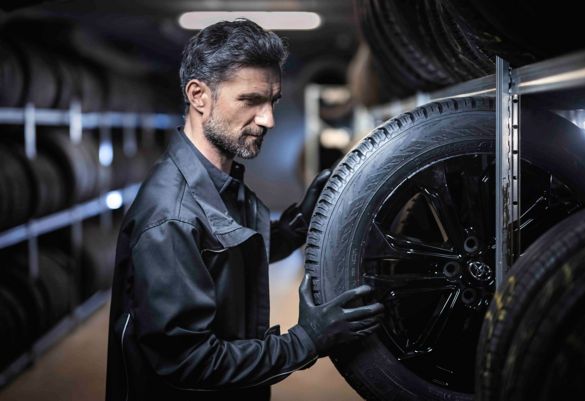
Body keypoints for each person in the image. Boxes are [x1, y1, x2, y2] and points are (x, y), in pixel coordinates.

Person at [105, 19, 384, 401]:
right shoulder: (170, 218)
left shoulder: (219, 181)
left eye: (272, 101)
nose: (268, 118)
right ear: (199, 95)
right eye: (251, 100)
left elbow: (228, 258)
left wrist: (299, 223)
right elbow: (190, 361)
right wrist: (305, 340)